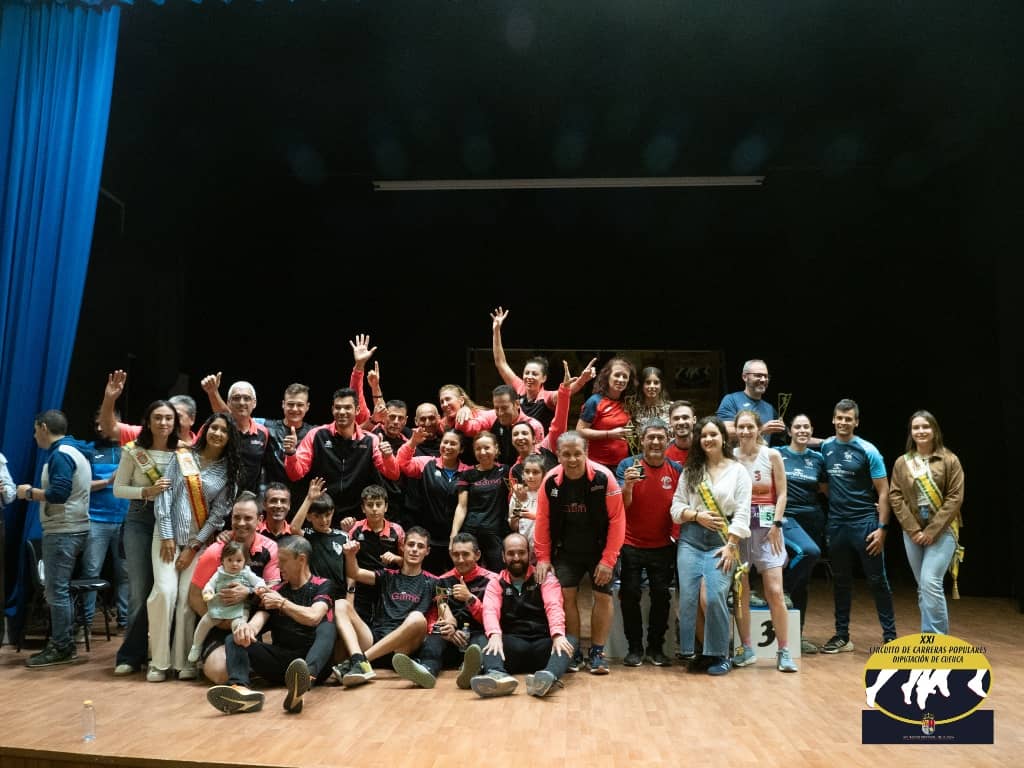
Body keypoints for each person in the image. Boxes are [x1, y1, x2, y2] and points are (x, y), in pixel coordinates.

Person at [149, 412, 243, 682]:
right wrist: (167, 535)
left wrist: (193, 547)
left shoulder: (229, 472)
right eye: (214, 428)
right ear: (205, 430)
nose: (217, 434)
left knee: (187, 600)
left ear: (230, 438)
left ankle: (183, 662)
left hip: (197, 543)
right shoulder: (182, 456)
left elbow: (217, 515)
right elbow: (163, 494)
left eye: (224, 431)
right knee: (164, 593)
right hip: (165, 538)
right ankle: (158, 662)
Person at [206, 535, 336, 716]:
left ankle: (305, 678)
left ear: (301, 559)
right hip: (282, 664)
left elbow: (313, 617)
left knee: (327, 624)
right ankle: (241, 691)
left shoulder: (323, 585)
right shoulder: (275, 591)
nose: (278, 566)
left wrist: (282, 603)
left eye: (283, 561)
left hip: (315, 663)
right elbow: (258, 622)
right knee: (235, 638)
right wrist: (246, 629)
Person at [534, 431, 626, 675]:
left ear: (586, 453)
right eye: (566, 454)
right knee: (566, 595)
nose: (572, 459)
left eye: (577, 453)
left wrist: (608, 560)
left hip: (601, 550)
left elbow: (618, 520)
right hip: (567, 550)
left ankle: (597, 653)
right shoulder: (550, 481)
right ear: (558, 455)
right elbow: (542, 520)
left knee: (603, 596)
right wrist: (543, 557)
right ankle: (573, 650)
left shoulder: (604, 478)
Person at [670, 415, 751, 676]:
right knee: (690, 599)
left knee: (713, 597)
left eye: (713, 434)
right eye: (703, 435)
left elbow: (743, 512)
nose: (708, 439)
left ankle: (722, 653)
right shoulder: (691, 470)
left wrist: (731, 545)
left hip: (723, 540)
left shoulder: (738, 471)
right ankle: (706, 653)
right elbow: (676, 507)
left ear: (723, 438)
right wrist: (696, 516)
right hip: (691, 539)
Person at [16, 410, 92, 668]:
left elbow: (59, 493)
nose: (34, 435)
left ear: (44, 427)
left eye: (35, 429)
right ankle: (63, 644)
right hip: (74, 528)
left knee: (56, 591)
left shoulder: (61, 455)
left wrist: (28, 493)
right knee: (60, 590)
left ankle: (62, 647)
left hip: (63, 530)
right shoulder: (76, 451)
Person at [820, 398, 897, 653]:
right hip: (836, 525)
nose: (843, 422)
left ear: (856, 422)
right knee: (841, 581)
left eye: (848, 419)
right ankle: (842, 636)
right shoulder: (826, 447)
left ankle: (890, 637)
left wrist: (882, 529)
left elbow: (884, 492)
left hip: (865, 524)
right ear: (833, 419)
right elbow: (825, 485)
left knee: (877, 580)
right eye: (839, 418)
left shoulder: (868, 450)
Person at [111, 400, 181, 675]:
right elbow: (118, 489)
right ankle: (132, 654)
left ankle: (165, 652)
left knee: (167, 590)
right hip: (140, 519)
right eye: (158, 418)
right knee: (139, 590)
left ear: (175, 423)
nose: (163, 423)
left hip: (173, 524)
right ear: (148, 421)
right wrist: (147, 492)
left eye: (168, 418)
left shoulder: (183, 451)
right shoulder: (133, 451)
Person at [469, 532, 578, 698]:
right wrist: (494, 635)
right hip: (511, 647)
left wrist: (557, 635)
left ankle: (547, 678)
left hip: (543, 646)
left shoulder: (545, 579)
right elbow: (490, 611)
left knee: (570, 640)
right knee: (482, 638)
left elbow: (554, 606)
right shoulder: (495, 583)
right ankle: (497, 676)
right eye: (511, 553)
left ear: (529, 554)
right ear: (503, 557)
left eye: (521, 552)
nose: (516, 557)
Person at [188, 494, 282, 684]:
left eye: (248, 518)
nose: (241, 523)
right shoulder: (214, 552)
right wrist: (219, 619)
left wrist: (248, 593)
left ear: (260, 520)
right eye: (236, 517)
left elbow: (273, 592)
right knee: (220, 673)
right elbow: (195, 596)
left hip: (247, 621)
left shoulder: (270, 548)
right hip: (217, 622)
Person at [730, 410, 797, 673]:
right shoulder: (730, 457)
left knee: (775, 591)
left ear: (759, 429)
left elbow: (782, 494)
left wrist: (777, 524)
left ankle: (784, 651)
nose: (745, 431)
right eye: (741, 427)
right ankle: (746, 648)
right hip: (739, 531)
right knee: (741, 592)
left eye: (750, 427)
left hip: (768, 531)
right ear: (735, 430)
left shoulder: (772, 455)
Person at [331, 526, 437, 687]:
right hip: (374, 640)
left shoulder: (433, 582)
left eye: (420, 546)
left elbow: (444, 611)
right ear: (403, 546)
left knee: (417, 618)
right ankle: (358, 658)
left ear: (427, 551)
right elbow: (355, 573)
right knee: (340, 604)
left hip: (401, 649)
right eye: (411, 544)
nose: (415, 549)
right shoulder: (387, 575)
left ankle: (360, 661)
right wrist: (350, 555)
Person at [614, 419, 682, 668]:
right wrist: (628, 486)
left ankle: (656, 647)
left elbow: (680, 506)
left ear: (668, 440)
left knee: (661, 597)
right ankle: (634, 648)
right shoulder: (627, 466)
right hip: (630, 544)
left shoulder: (676, 469)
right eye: (650, 437)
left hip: (663, 545)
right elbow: (621, 506)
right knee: (630, 594)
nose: (655, 442)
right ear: (641, 440)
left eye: (660, 438)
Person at [889, 410, 964, 635]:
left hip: (943, 530)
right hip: (912, 530)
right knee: (923, 587)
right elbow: (895, 496)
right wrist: (913, 530)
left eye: (925, 426)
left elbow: (955, 498)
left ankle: (938, 641)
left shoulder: (949, 459)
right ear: (911, 432)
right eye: (916, 427)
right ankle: (927, 638)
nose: (920, 431)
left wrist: (931, 531)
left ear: (934, 430)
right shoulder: (902, 462)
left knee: (930, 582)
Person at [391, 531, 497, 689]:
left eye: (465, 554)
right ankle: (425, 670)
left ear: (477, 555)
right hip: (451, 638)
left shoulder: (492, 580)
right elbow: (436, 613)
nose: (460, 560)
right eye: (456, 555)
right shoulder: (442, 581)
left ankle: (473, 670)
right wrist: (447, 629)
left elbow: (493, 618)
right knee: (434, 639)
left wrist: (470, 598)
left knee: (481, 642)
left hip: (478, 633)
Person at [283, 387, 400, 527]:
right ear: (332, 409)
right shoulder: (316, 435)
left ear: (357, 410)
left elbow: (393, 474)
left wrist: (388, 456)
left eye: (347, 408)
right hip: (321, 515)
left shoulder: (371, 440)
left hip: (356, 518)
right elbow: (295, 474)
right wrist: (291, 453)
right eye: (338, 408)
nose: (342, 412)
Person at [777, 413, 827, 654]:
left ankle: (797, 636)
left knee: (804, 581)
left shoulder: (818, 459)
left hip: (812, 520)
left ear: (811, 430)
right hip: (786, 517)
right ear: (789, 431)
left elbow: (826, 490)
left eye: (806, 427)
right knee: (808, 553)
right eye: (797, 427)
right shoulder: (777, 454)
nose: (802, 430)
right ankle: (781, 590)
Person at [79, 408, 130, 636]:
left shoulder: (130, 450)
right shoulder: (89, 451)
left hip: (125, 522)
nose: (99, 428)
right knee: (90, 572)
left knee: (125, 574)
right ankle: (85, 624)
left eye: (104, 423)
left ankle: (125, 621)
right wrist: (108, 481)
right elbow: (81, 486)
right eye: (96, 424)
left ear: (118, 423)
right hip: (96, 521)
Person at [397, 427, 470, 576]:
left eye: (453, 444)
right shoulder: (426, 463)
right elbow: (402, 463)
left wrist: (454, 535)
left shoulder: (468, 472)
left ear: (461, 449)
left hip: (455, 539)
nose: (447, 446)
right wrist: (412, 442)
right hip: (429, 538)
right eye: (445, 442)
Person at [189, 541, 267, 663]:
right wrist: (208, 592)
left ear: (245, 561)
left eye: (239, 560)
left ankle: (241, 653)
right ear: (222, 561)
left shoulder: (246, 573)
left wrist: (259, 587)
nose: (234, 564)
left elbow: (259, 581)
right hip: (219, 607)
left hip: (238, 610)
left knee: (239, 626)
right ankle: (196, 646)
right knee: (204, 622)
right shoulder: (219, 573)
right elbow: (210, 584)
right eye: (230, 560)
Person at [450, 432, 509, 572]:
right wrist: (453, 535)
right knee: (467, 573)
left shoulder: (505, 471)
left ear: (496, 448)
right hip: (471, 532)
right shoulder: (467, 474)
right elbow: (461, 506)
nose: (482, 452)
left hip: (495, 533)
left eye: (487, 447)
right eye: (478, 449)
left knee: (497, 574)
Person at [200, 375, 269, 494]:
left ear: (254, 403)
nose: (241, 402)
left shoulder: (263, 432)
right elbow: (194, 451)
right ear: (228, 402)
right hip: (214, 496)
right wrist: (213, 392)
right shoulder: (213, 428)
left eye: (247, 398)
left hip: (248, 500)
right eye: (236, 398)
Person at [346, 484, 405, 621]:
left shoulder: (397, 531)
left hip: (389, 586)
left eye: (378, 504)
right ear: (363, 508)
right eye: (370, 505)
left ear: (386, 507)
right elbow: (349, 563)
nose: (374, 509)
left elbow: (407, 564)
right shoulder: (354, 529)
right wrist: (350, 593)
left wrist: (396, 558)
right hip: (361, 586)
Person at [287, 479, 351, 602]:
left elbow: (350, 570)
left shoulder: (343, 536)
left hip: (339, 595)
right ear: (308, 516)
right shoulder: (307, 534)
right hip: (314, 593)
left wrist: (350, 594)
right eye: (317, 516)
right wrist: (309, 499)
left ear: (332, 512)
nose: (324, 520)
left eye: (327, 515)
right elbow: (294, 528)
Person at [99, 369, 197, 445]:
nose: (164, 423)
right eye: (158, 418)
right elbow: (109, 428)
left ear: (192, 419)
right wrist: (109, 399)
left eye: (170, 418)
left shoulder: (200, 446)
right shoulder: (145, 435)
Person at [456, 384, 545, 467]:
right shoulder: (492, 416)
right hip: (499, 475)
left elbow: (539, 460)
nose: (500, 413)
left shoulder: (534, 426)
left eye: (504, 408)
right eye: (496, 408)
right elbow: (468, 429)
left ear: (517, 404)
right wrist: (464, 409)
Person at [575, 356, 637, 473]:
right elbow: (580, 431)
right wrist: (609, 434)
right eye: (617, 375)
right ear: (608, 376)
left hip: (621, 465)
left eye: (625, 376)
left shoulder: (627, 403)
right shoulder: (594, 401)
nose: (621, 379)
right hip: (598, 465)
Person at [715, 359, 786, 445]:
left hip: (762, 453)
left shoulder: (769, 408)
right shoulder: (731, 400)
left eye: (766, 376)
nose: (763, 380)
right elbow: (725, 432)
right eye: (758, 375)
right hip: (737, 453)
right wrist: (761, 430)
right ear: (745, 377)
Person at [625, 366, 672, 436]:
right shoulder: (633, 408)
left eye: (656, 383)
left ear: (661, 385)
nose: (652, 386)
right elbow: (629, 435)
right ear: (642, 385)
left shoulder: (672, 408)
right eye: (648, 382)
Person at [665, 400, 696, 465]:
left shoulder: (705, 448)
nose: (681, 422)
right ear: (670, 422)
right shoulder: (665, 456)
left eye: (685, 418)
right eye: (676, 418)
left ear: (694, 420)